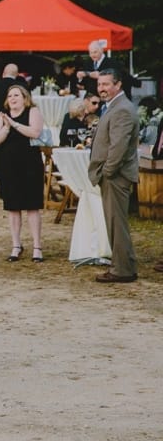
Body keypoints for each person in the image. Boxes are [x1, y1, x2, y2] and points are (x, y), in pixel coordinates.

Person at [87, 69, 140, 283]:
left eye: (106, 84)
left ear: (118, 85)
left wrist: (107, 172)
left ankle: (122, 270)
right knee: (115, 222)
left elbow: (118, 147)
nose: (101, 89)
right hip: (112, 174)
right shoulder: (114, 107)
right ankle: (123, 264)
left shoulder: (122, 110)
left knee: (116, 222)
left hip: (116, 176)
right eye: (99, 85)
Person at [0, 85, 46, 262]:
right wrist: (6, 128)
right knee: (13, 207)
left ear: (24, 98)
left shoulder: (33, 111)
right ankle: (16, 245)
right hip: (8, 165)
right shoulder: (2, 115)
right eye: (10, 96)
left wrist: (14, 124)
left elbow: (35, 132)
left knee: (32, 206)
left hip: (30, 164)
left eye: (16, 95)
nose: (13, 98)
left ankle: (37, 247)